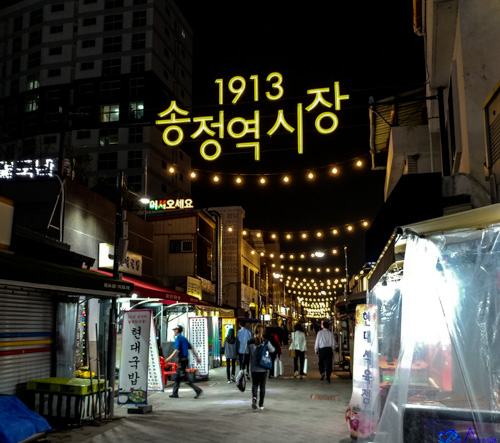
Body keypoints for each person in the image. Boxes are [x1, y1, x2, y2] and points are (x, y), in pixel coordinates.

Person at [165, 325, 203, 398]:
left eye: (174, 330)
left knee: (183, 377)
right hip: (185, 359)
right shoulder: (184, 339)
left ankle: (197, 389)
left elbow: (177, 350)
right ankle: (175, 393)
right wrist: (197, 357)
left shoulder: (178, 339)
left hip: (181, 360)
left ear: (177, 330)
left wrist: (168, 359)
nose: (174, 331)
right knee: (178, 377)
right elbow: (192, 349)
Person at [245, 324, 275, 410]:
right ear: (262, 332)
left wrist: (244, 368)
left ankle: (254, 398)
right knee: (262, 386)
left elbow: (246, 355)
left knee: (254, 384)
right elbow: (272, 350)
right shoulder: (265, 342)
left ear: (254, 331)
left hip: (254, 367)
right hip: (263, 366)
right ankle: (261, 404)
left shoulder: (250, 342)